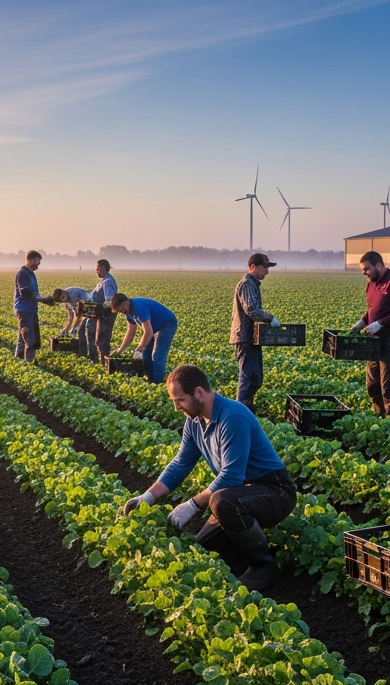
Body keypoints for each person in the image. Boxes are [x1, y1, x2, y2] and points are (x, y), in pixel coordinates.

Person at [119, 364, 296, 591]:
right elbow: (181, 463)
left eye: (180, 400)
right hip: (242, 493)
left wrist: (192, 504)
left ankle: (263, 564)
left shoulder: (233, 417)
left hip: (275, 493)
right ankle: (241, 551)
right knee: (203, 547)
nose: (176, 407)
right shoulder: (194, 422)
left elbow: (231, 476)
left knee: (222, 501)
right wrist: (148, 496)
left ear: (199, 392)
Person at [350, 251, 390, 422]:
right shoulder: (372, 285)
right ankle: (380, 417)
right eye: (363, 270)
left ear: (379, 265)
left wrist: (381, 323)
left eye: (366, 269)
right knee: (373, 385)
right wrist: (362, 323)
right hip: (375, 342)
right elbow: (373, 310)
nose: (364, 273)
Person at [230, 252, 281, 411]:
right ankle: (241, 410)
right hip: (245, 337)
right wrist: (269, 318)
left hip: (251, 337)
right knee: (247, 378)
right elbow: (251, 309)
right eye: (264, 267)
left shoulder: (252, 283)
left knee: (255, 378)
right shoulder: (247, 284)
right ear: (253, 267)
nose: (267, 271)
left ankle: (247, 408)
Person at [109, 292, 177, 384]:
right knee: (146, 356)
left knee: (157, 355)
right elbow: (130, 332)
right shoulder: (128, 313)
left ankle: (158, 383)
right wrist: (120, 350)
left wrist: (140, 349)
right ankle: (150, 380)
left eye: (120, 310)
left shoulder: (138, 308)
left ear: (125, 303)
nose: (121, 312)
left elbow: (148, 332)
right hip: (154, 326)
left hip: (167, 324)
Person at [14, 250, 50, 362]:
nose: (38, 264)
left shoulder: (31, 274)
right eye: (37, 261)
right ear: (30, 260)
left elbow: (34, 293)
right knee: (30, 338)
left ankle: (19, 360)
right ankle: (30, 362)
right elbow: (25, 293)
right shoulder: (23, 274)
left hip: (30, 309)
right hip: (24, 309)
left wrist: (44, 300)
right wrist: (42, 299)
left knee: (22, 337)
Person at [81, 260, 119, 361]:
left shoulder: (108, 282)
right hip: (99, 314)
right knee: (94, 336)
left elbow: (109, 300)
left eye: (97, 269)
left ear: (103, 268)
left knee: (102, 340)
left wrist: (98, 306)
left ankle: (105, 362)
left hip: (106, 315)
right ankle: (96, 359)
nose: (96, 271)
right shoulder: (104, 280)